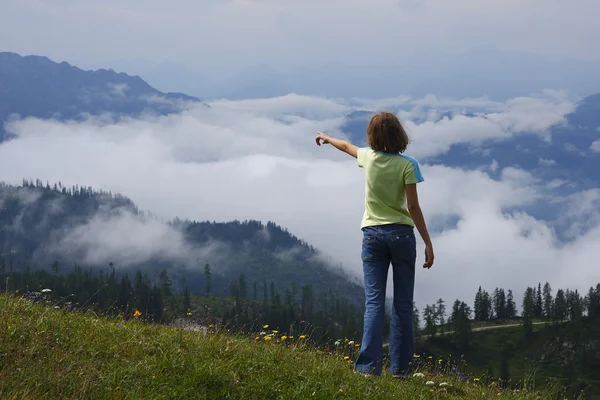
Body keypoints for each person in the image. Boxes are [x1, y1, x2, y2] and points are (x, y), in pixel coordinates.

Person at [314, 111, 434, 378]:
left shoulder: (368, 157)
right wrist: (427, 242)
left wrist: (326, 137)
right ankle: (400, 371)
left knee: (374, 303)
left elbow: (345, 146)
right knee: (403, 305)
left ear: (373, 136)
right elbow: (412, 206)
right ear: (399, 135)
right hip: (402, 236)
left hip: (372, 235)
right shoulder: (408, 165)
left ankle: (368, 368)